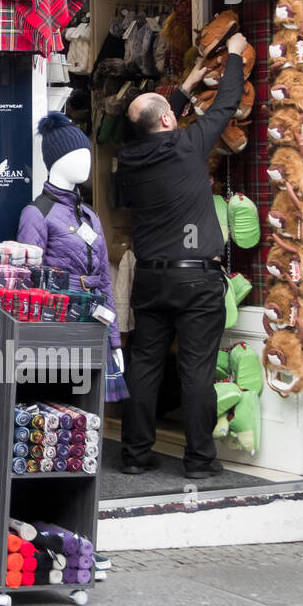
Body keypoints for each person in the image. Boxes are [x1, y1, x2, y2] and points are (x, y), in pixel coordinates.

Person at [117, 33, 247, 480]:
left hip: (151, 281)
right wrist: (233, 55)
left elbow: (142, 118)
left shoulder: (129, 156)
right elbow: (228, 103)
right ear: (171, 119)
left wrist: (185, 86)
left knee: (145, 366)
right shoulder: (189, 145)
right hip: (196, 281)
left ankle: (134, 455)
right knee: (196, 370)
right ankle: (199, 459)